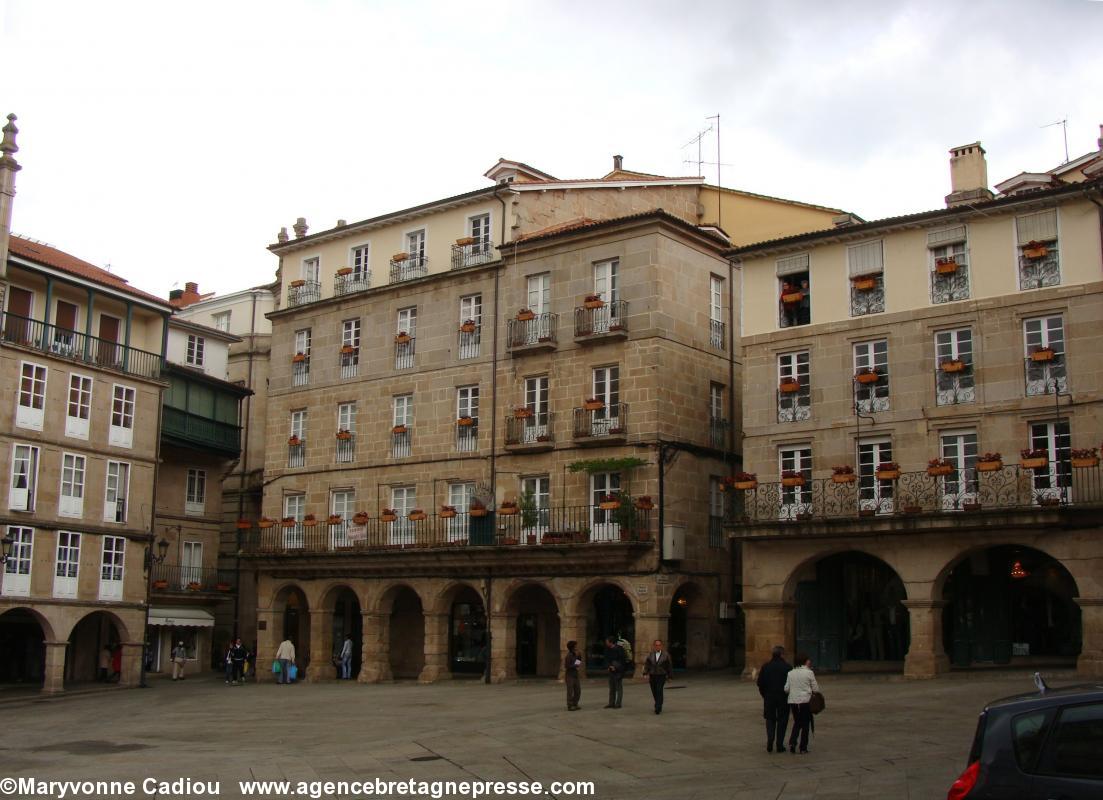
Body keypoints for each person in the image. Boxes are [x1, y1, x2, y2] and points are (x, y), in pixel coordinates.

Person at [756, 645, 792, 753]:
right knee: (782, 720)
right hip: (783, 697)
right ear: (782, 654)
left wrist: (764, 694)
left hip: (769, 697)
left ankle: (770, 739)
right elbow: (791, 684)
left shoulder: (766, 666)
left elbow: (760, 683)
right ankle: (779, 744)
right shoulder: (787, 667)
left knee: (770, 718)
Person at [784, 653, 820, 754]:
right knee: (805, 724)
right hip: (805, 701)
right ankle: (803, 747)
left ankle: (792, 742)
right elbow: (816, 689)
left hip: (793, 702)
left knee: (797, 722)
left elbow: (786, 689)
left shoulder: (790, 673)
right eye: (808, 660)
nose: (810, 662)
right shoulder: (809, 673)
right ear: (805, 661)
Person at [642, 639, 674, 715]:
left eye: (659, 645)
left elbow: (669, 666)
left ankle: (658, 707)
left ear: (661, 646)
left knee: (659, 690)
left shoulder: (666, 655)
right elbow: (647, 664)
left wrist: (670, 676)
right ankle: (658, 703)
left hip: (661, 675)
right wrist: (645, 673)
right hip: (652, 675)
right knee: (654, 691)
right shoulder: (651, 654)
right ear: (654, 646)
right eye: (656, 645)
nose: (657, 646)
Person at [603, 636, 626, 709]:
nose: (606, 643)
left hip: (618, 671)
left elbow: (622, 660)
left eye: (607, 641)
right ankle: (611, 703)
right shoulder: (608, 649)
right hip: (611, 671)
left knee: (618, 688)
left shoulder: (619, 649)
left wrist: (615, 667)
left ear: (611, 642)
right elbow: (606, 659)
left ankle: (618, 703)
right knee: (611, 688)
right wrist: (609, 666)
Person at [563, 640, 583, 711]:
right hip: (570, 675)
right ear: (573, 647)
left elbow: (578, 662)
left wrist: (579, 656)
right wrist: (575, 666)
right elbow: (567, 666)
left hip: (575, 675)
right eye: (576, 645)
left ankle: (575, 703)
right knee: (570, 691)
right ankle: (570, 705)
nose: (577, 647)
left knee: (578, 690)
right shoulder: (569, 656)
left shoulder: (576, 654)